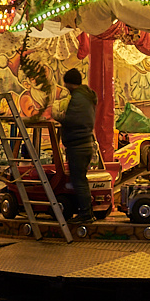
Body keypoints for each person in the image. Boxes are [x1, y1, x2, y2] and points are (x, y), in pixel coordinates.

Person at [53, 68, 97, 221]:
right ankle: (87, 212)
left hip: (78, 146)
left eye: (66, 84)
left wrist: (59, 117)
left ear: (70, 83)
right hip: (85, 144)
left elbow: (73, 120)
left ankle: (86, 214)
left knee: (79, 181)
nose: (65, 87)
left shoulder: (78, 99)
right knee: (81, 180)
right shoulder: (85, 96)